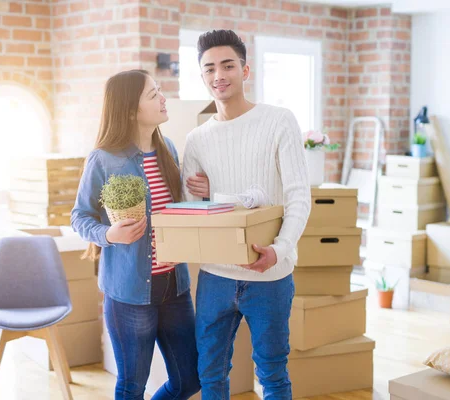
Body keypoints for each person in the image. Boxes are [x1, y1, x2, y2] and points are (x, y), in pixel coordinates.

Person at [182, 30, 311, 399]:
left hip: (269, 273)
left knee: (271, 373)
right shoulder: (197, 140)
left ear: (245, 70)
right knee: (210, 373)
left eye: (228, 66)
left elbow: (299, 197)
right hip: (215, 277)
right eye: (210, 69)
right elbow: (191, 209)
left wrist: (280, 249)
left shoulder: (279, 120)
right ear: (202, 76)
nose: (219, 75)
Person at [71, 69, 209, 400]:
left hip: (174, 287)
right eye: (153, 95)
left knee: (189, 379)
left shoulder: (169, 150)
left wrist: (204, 193)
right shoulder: (104, 158)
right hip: (129, 293)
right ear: (131, 109)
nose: (163, 98)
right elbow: (80, 217)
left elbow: (177, 212)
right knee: (132, 386)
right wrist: (109, 235)